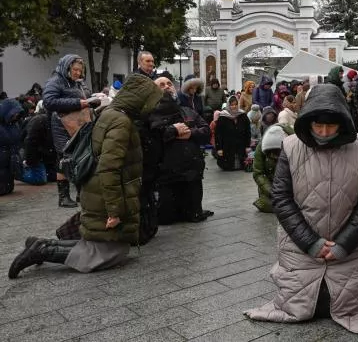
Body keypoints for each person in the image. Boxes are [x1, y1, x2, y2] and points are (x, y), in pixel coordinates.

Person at [245, 84, 358, 333]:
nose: (323, 132)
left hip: (352, 246)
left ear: (342, 122)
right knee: (307, 303)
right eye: (317, 125)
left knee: (347, 302)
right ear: (307, 121)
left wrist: (344, 243)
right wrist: (311, 242)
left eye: (330, 126)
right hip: (300, 246)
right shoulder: (290, 146)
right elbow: (281, 198)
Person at [8, 74, 163, 279]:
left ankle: (42, 244)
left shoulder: (111, 114)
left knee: (102, 246)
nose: (153, 107)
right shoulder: (121, 122)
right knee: (107, 253)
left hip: (98, 189)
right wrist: (114, 211)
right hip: (104, 193)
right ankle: (43, 250)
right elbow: (109, 168)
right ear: (140, 99)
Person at [150, 77, 213, 223]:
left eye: (169, 84)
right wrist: (173, 131)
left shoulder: (187, 111)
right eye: (161, 85)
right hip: (166, 176)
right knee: (167, 218)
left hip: (191, 173)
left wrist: (191, 133)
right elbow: (152, 137)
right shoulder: (150, 114)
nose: (166, 87)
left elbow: (206, 131)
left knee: (193, 216)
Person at [43, 54, 96, 208]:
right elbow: (49, 101)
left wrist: (93, 98)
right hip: (61, 124)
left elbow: (84, 98)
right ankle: (63, 197)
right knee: (64, 158)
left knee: (80, 155)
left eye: (80, 70)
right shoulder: (56, 81)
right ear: (67, 68)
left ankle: (81, 193)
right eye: (75, 70)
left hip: (78, 123)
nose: (78, 73)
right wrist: (79, 103)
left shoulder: (77, 82)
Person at [252, 123, 294, 213]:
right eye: (271, 154)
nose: (275, 157)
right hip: (271, 186)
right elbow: (258, 173)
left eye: (277, 153)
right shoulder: (261, 148)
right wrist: (271, 191)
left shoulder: (295, 143)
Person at [22, 101, 57, 184]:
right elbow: (30, 142)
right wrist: (30, 161)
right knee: (40, 179)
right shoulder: (39, 121)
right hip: (38, 156)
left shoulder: (50, 120)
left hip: (47, 156)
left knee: (54, 177)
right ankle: (18, 173)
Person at [215, 96, 251, 172]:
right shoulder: (223, 116)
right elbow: (218, 133)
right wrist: (219, 148)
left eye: (235, 104)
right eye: (231, 105)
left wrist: (247, 145)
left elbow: (248, 131)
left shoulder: (243, 115)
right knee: (228, 165)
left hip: (241, 144)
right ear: (228, 105)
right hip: (227, 146)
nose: (234, 106)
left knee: (241, 163)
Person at [0, 100, 24, 196]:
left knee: (7, 179)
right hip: (3, 157)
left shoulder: (14, 124)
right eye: (14, 114)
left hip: (9, 159)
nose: (15, 116)